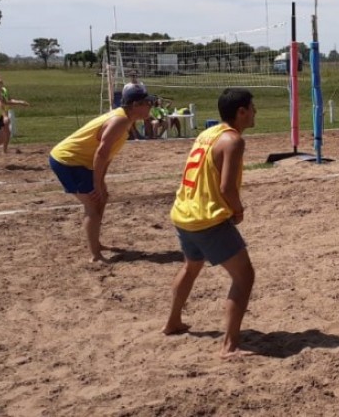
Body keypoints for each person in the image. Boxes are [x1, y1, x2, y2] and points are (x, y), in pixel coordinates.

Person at [163, 87, 257, 359]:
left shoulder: (207, 133)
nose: (255, 112)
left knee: (191, 267)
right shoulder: (233, 141)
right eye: (252, 107)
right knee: (244, 276)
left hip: (183, 213)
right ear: (241, 112)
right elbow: (227, 187)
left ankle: (173, 323)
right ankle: (229, 346)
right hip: (207, 219)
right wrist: (238, 211)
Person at [49, 85, 155, 262]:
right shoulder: (119, 120)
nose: (151, 105)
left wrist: (101, 181)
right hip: (68, 161)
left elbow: (108, 154)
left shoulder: (127, 120)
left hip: (81, 163)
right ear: (136, 104)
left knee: (101, 199)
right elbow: (101, 153)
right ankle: (95, 254)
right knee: (93, 205)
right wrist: (96, 183)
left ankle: (96, 243)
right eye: (148, 102)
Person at [0, 79, 31, 154]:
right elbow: (4, 102)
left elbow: (9, 99)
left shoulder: (4, 90)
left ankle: (4, 151)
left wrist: (19, 101)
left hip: (4, 113)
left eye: (2, 82)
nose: (1, 83)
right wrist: (19, 103)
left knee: (7, 133)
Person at [124, 71, 146, 140]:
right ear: (130, 77)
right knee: (131, 120)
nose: (134, 77)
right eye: (132, 76)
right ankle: (135, 136)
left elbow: (145, 94)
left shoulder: (141, 84)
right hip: (131, 106)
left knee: (148, 118)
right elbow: (124, 96)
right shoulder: (127, 86)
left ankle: (150, 135)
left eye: (135, 75)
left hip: (140, 105)